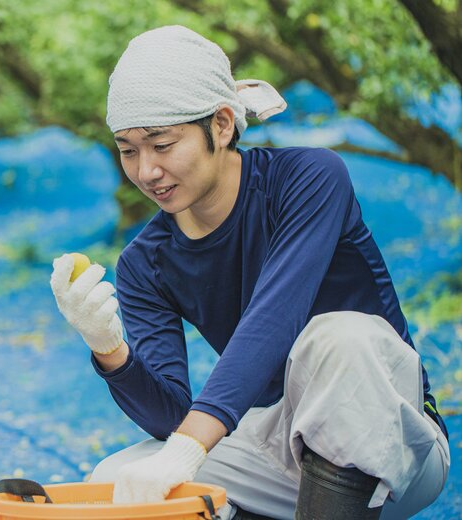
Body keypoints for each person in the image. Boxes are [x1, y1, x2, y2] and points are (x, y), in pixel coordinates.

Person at [49, 25, 450, 519]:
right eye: (128, 150)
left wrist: (185, 451)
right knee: (118, 485)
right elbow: (173, 417)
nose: (146, 171)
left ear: (220, 125)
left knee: (340, 336)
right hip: (276, 447)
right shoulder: (144, 262)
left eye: (162, 144)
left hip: (393, 444)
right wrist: (109, 349)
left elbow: (274, 319)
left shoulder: (309, 179)